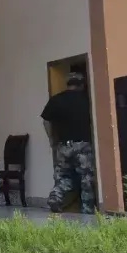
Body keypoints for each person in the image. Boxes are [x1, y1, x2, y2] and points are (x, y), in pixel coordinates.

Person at [43, 72, 97, 214]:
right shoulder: (87, 100)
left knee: (63, 176)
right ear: (82, 84)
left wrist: (51, 139)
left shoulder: (56, 99)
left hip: (63, 145)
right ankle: (87, 209)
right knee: (86, 179)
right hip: (83, 145)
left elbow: (46, 120)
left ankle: (56, 197)